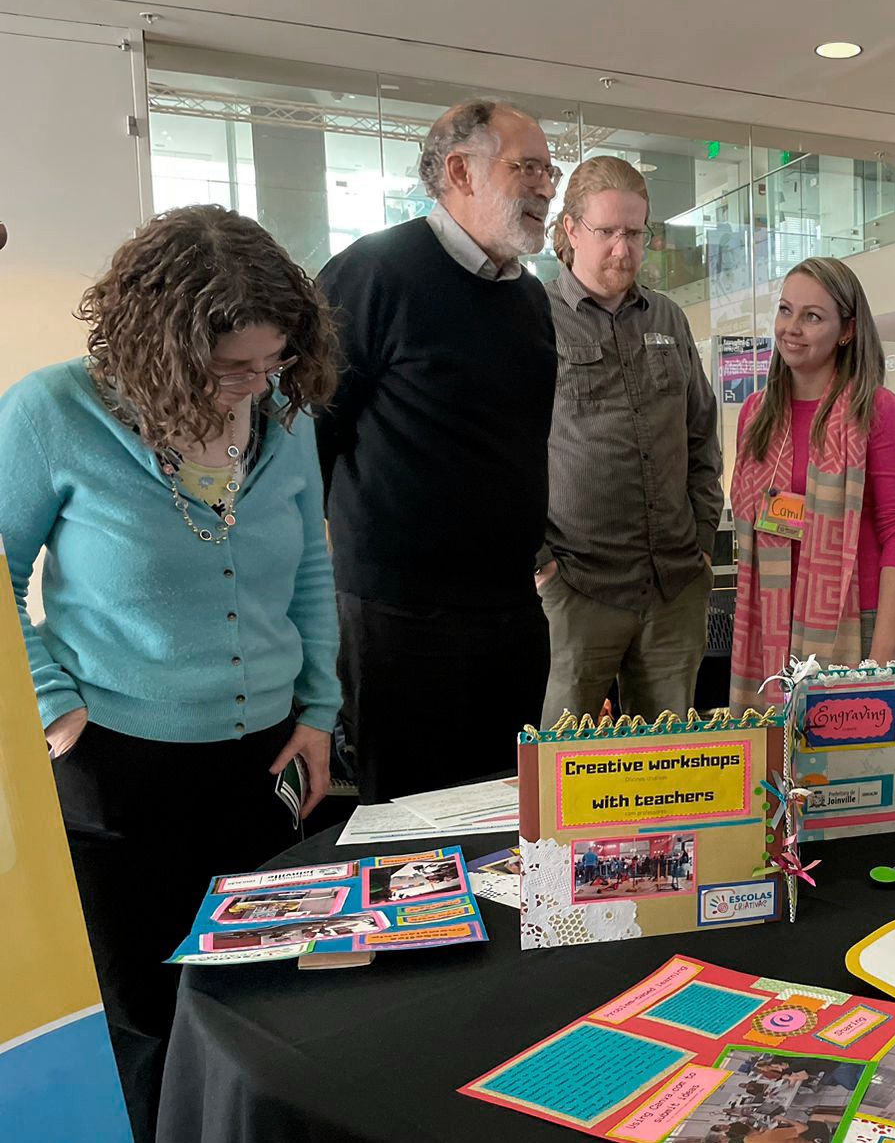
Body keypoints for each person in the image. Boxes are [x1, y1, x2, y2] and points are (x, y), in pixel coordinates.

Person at [0, 205, 340, 1142]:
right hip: (118, 766)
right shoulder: (51, 413)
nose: (254, 386)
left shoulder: (282, 418)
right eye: (233, 366)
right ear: (160, 343)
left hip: (265, 759)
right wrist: (57, 709)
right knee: (149, 1021)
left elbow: (310, 565)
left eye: (272, 363)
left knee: (264, 999)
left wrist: (320, 708)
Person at [317, 99, 559, 801]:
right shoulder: (371, 275)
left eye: (552, 170)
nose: (547, 186)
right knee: (406, 827)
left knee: (500, 814)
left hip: (510, 612)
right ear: (459, 170)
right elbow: (310, 441)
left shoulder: (530, 300)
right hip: (399, 621)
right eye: (529, 168)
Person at [539, 156, 722, 723]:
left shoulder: (668, 317)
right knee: (561, 772)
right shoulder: (534, 319)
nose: (623, 248)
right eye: (607, 232)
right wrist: (542, 564)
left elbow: (700, 433)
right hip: (578, 587)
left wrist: (701, 533)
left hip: (673, 584)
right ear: (570, 230)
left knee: (664, 766)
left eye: (635, 233)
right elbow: (506, 454)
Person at [729, 258, 895, 709]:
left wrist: (883, 658)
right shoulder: (755, 415)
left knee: (854, 769)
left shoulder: (876, 410)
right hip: (772, 621)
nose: (792, 328)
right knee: (779, 766)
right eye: (785, 310)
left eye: (812, 317)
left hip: (861, 620)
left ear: (846, 330)